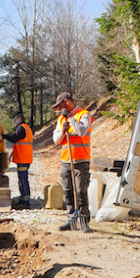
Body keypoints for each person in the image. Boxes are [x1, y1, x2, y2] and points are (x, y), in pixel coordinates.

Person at [52, 92, 93, 231]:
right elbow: (56, 140)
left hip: (81, 161)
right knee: (68, 192)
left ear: (67, 102)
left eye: (60, 105)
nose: (58, 109)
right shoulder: (61, 119)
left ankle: (84, 222)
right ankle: (71, 220)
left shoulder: (84, 114)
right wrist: (62, 131)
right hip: (66, 161)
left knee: (81, 192)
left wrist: (70, 118)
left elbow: (81, 131)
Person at [4, 113, 33, 209]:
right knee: (22, 179)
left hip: (23, 158)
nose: (14, 122)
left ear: (19, 119)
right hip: (26, 157)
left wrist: (3, 136)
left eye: (15, 120)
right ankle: (23, 199)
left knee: (23, 180)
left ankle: (25, 202)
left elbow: (15, 138)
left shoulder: (21, 128)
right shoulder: (26, 128)